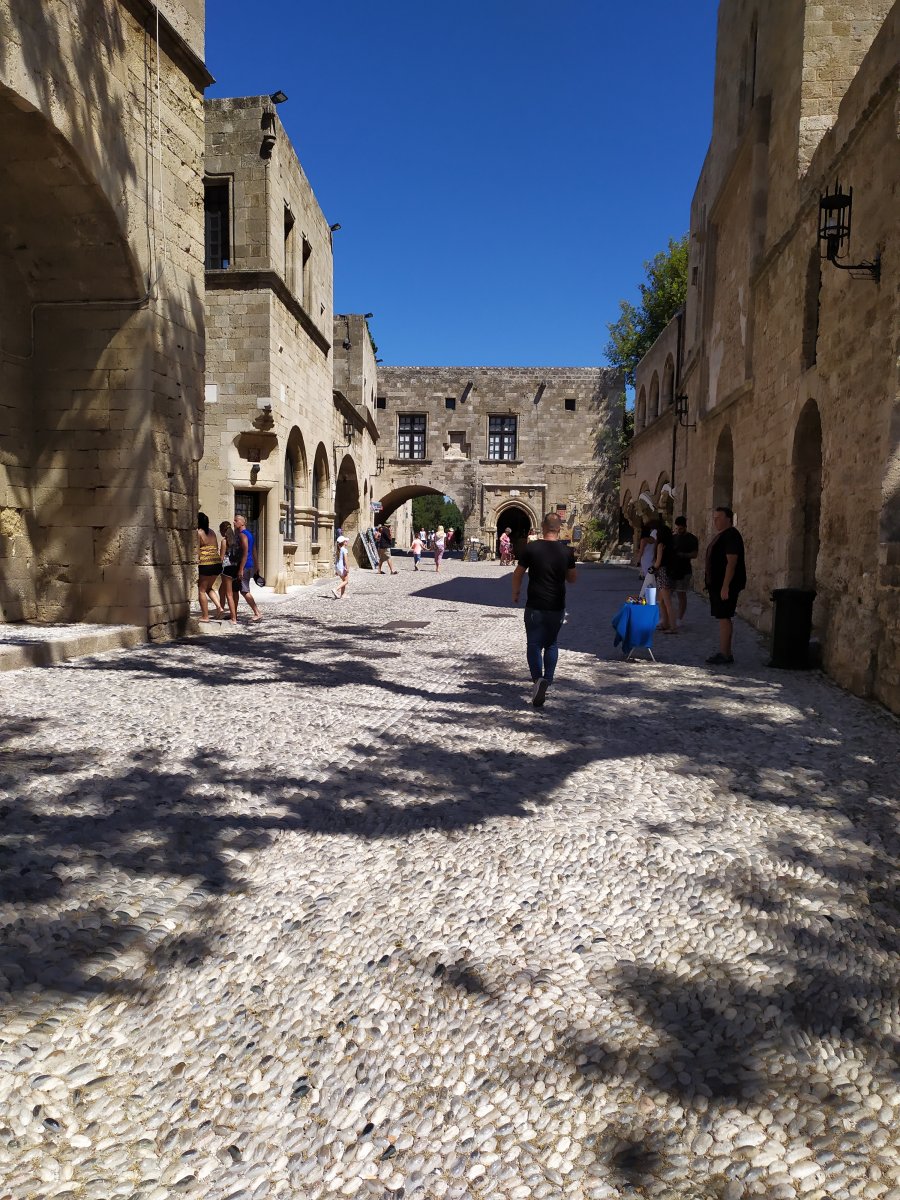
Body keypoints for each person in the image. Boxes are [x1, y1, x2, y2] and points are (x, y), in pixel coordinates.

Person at [512, 513, 577, 708]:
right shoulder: (566, 552)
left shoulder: (531, 548)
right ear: (559, 528)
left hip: (535, 604)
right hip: (556, 605)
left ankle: (537, 680)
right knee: (551, 643)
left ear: (542, 526)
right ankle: (547, 679)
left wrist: (516, 592)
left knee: (533, 644)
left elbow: (518, 573)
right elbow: (572, 579)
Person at [704, 506, 746, 664]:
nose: (716, 521)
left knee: (724, 617)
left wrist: (725, 586)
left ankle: (725, 654)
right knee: (722, 617)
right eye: (714, 518)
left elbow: (732, 563)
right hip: (718, 584)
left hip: (725, 585)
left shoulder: (731, 536)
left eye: (719, 518)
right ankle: (726, 652)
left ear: (728, 519)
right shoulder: (723, 535)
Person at [648, 519, 679, 633]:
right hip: (670, 574)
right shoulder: (671, 545)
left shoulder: (661, 545)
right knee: (661, 601)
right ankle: (665, 623)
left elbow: (658, 563)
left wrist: (651, 569)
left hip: (663, 574)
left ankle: (673, 627)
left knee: (667, 602)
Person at [233, 514, 262, 622]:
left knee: (244, 591)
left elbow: (245, 553)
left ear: (242, 523)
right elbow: (254, 550)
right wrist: (257, 565)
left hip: (244, 566)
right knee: (238, 589)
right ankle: (234, 614)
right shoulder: (249, 534)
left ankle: (257, 613)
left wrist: (240, 569)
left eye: (236, 520)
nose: (234, 522)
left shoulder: (242, 535)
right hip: (249, 565)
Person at [197, 513, 224, 621]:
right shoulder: (212, 532)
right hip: (216, 563)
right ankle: (219, 606)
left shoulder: (198, 532)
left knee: (201, 590)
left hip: (206, 564)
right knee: (209, 588)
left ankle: (205, 616)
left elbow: (197, 550)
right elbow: (216, 547)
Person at [671, 515, 699, 623]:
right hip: (673, 570)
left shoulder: (692, 539)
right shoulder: (673, 538)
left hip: (685, 570)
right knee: (668, 594)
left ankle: (679, 618)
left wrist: (683, 555)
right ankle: (669, 616)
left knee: (681, 594)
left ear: (685, 527)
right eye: (677, 528)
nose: (679, 530)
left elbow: (695, 554)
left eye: (681, 528)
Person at [218, 520, 240, 623]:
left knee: (229, 594)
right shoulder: (236, 540)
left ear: (223, 531)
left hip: (226, 568)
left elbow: (222, 558)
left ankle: (233, 618)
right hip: (235, 567)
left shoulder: (224, 541)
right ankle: (222, 613)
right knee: (222, 590)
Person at [333, 534, 350, 599]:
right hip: (342, 568)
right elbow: (346, 560)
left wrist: (336, 570)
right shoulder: (344, 550)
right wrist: (347, 568)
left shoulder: (339, 550)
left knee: (344, 581)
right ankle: (335, 589)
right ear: (343, 542)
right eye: (346, 541)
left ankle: (343, 595)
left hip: (338, 568)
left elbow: (337, 560)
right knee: (346, 581)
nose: (347, 542)